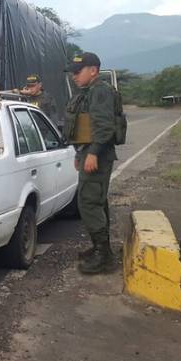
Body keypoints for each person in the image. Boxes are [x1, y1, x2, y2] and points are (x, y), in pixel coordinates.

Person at [63, 52, 118, 274]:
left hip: (99, 153)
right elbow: (84, 127)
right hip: (90, 150)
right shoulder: (88, 92)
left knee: (89, 202)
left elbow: (104, 126)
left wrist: (93, 153)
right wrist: (80, 153)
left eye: (78, 71)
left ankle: (103, 256)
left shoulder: (100, 91)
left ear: (93, 70)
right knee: (95, 200)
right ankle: (100, 249)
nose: (74, 76)